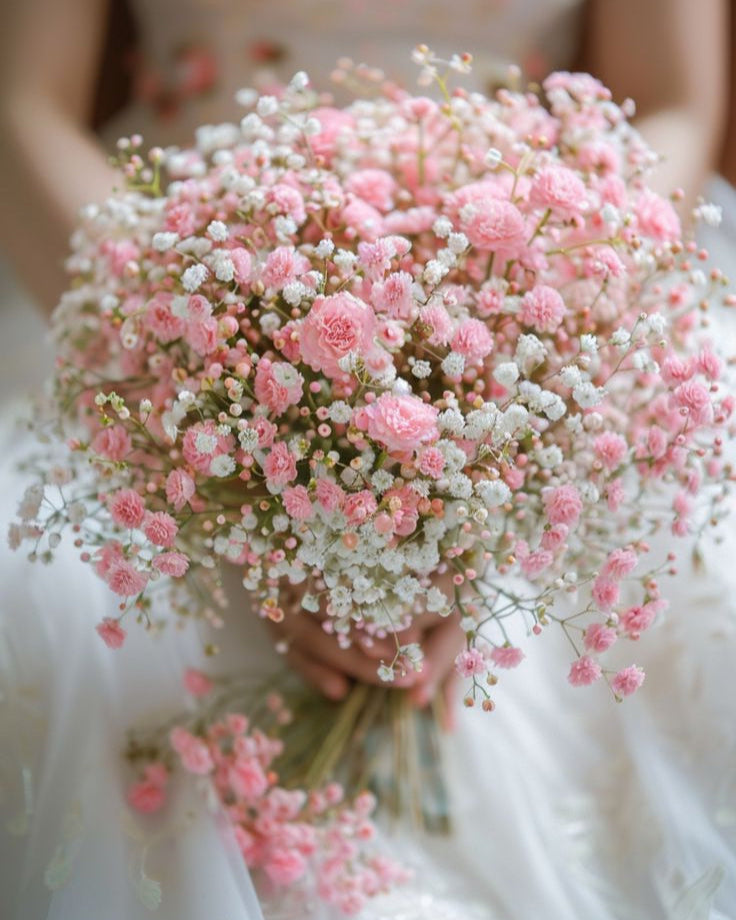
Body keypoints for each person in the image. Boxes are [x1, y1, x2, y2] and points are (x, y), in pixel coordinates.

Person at [0, 2, 734, 918]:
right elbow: (22, 104)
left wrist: (493, 463)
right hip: (162, 266)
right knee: (54, 596)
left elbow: (674, 104)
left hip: (533, 284)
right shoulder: (179, 328)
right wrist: (212, 418)